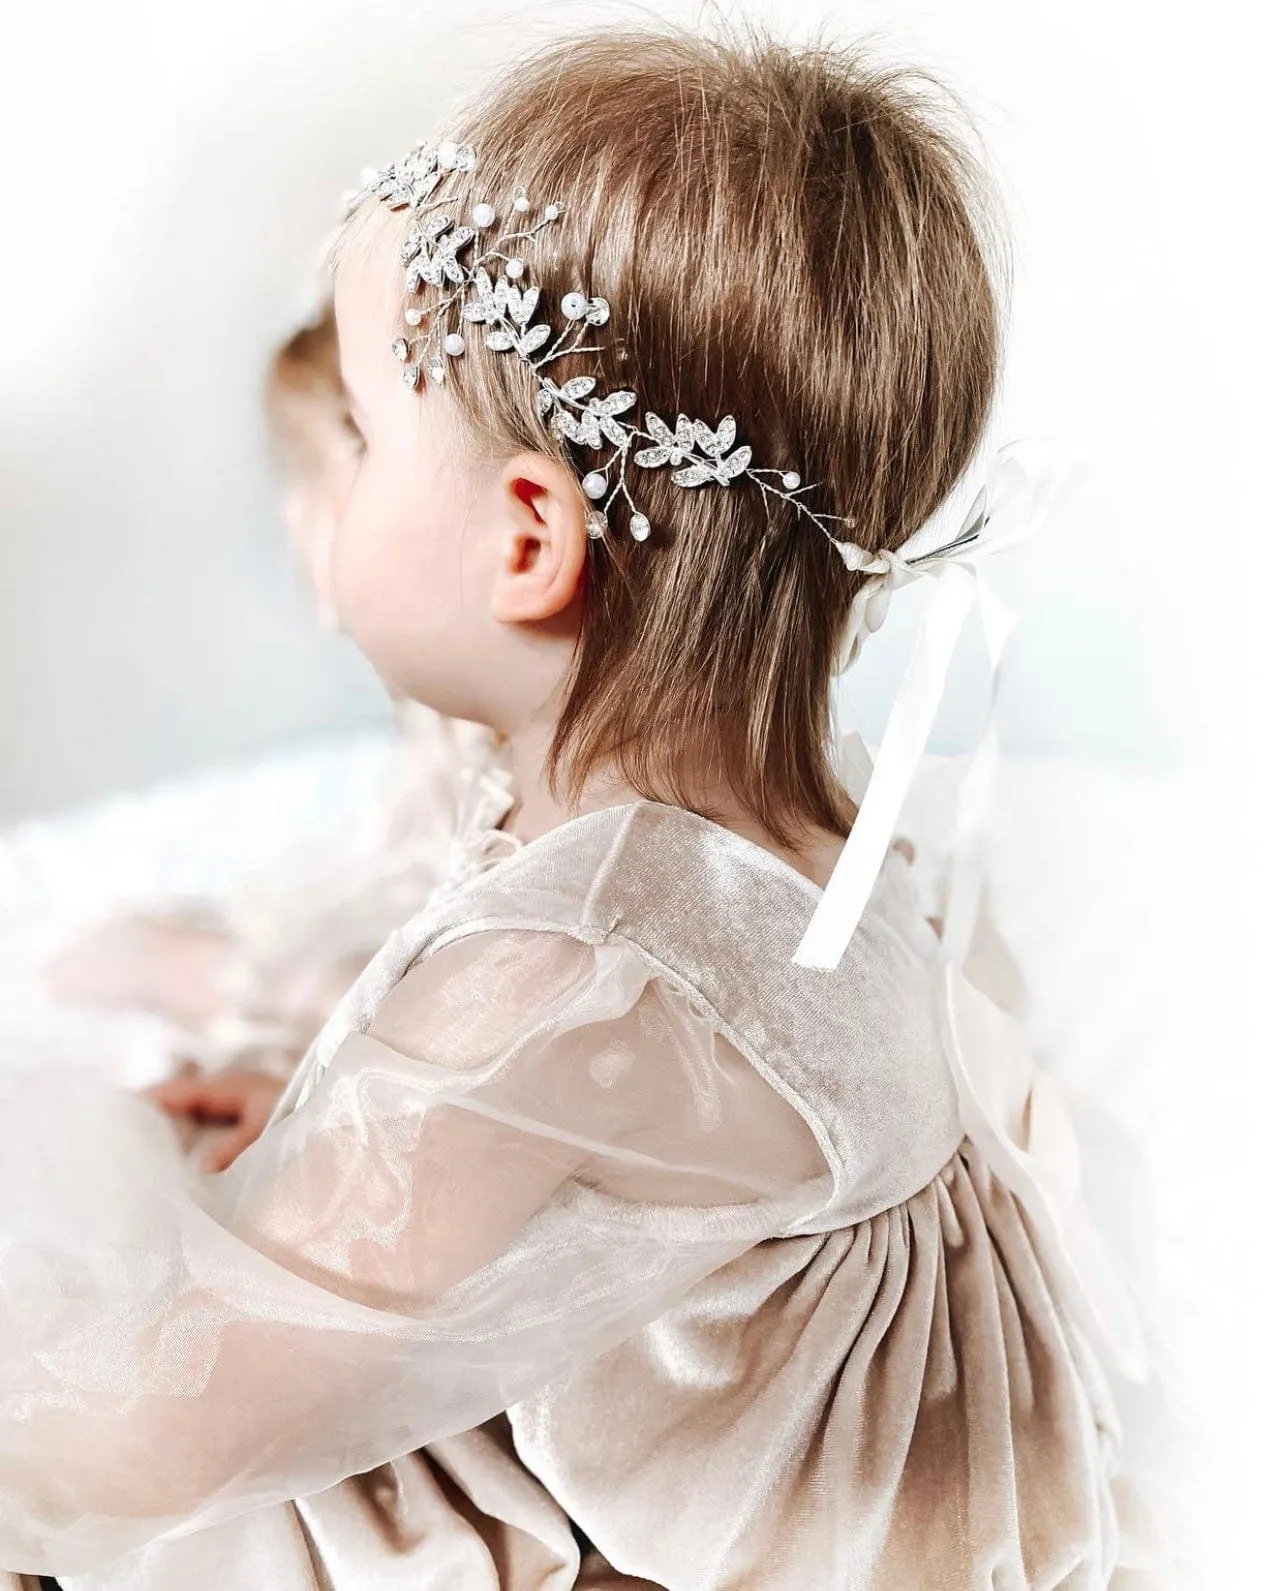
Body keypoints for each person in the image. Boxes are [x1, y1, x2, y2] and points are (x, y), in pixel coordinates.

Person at [0, 22, 1144, 1589]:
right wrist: (363, 1132)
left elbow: (165, 1428)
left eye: (363, 435)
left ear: (529, 539)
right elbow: (627, 1178)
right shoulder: (819, 838)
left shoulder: (581, 969)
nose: (334, 478)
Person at [41, 306, 509, 1170]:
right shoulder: (432, 725)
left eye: (311, 478)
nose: (295, 521)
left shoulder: (495, 736)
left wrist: (222, 983)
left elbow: (459, 990)